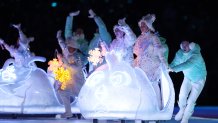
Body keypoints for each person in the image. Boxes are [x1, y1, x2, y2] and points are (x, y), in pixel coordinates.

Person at [133, 14, 168, 109]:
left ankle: (157, 109)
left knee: (153, 86)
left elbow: (160, 52)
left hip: (152, 66)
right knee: (143, 88)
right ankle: (146, 108)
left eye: (144, 25)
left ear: (148, 26)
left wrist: (165, 64)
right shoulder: (139, 38)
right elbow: (135, 51)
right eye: (141, 26)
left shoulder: (153, 37)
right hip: (141, 66)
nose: (142, 27)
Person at [170, 41, 207, 123]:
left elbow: (187, 64)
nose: (185, 46)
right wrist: (169, 67)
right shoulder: (180, 54)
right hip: (188, 78)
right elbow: (175, 62)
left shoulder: (196, 54)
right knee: (182, 95)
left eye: (187, 45)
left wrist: (173, 69)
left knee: (191, 101)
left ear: (191, 46)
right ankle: (182, 110)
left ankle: (185, 118)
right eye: (183, 45)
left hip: (199, 79)